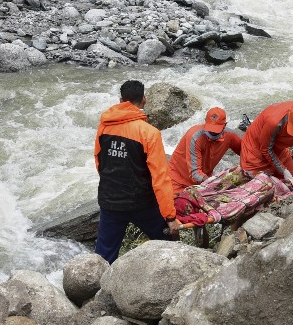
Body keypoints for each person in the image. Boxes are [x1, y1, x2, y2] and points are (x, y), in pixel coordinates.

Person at [93, 80, 179, 263]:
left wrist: (113, 186)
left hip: (110, 202)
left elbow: (99, 162)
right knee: (169, 244)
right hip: (142, 204)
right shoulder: (149, 133)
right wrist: (170, 217)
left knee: (103, 257)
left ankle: (95, 289)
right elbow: (160, 178)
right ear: (144, 100)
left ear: (120, 100)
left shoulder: (104, 126)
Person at [168, 107, 242, 195]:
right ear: (205, 122)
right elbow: (195, 172)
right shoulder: (195, 137)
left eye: (216, 131)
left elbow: (246, 152)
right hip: (177, 181)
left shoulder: (230, 136)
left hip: (201, 183)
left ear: (224, 125)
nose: (212, 133)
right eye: (210, 129)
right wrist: (213, 185)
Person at [240, 101, 293, 183]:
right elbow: (265, 149)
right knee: (265, 188)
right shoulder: (274, 122)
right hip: (255, 150)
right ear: (289, 115)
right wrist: (283, 170)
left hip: (279, 150)